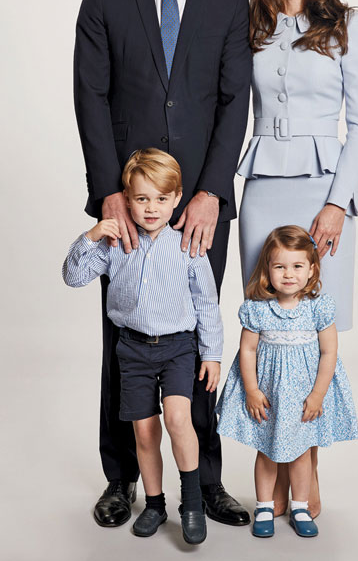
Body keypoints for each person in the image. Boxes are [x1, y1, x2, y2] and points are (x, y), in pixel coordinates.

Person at [73, 0, 251, 527]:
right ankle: (122, 477)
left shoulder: (231, 1)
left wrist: (210, 192)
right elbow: (89, 96)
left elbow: (237, 102)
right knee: (124, 338)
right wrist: (108, 196)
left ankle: (203, 481)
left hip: (198, 209)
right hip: (130, 204)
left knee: (197, 338)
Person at [237, 0, 358, 517]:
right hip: (264, 186)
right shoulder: (252, 24)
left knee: (314, 331)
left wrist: (337, 203)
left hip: (323, 189)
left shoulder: (348, 24)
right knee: (269, 334)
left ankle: (308, 467)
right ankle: (269, 477)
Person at [63, 149, 223, 544]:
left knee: (177, 419)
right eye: (141, 199)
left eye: (161, 199)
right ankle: (154, 504)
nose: (151, 208)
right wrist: (91, 236)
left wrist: (213, 354)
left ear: (177, 197)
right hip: (132, 349)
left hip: (178, 349)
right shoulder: (117, 244)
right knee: (145, 432)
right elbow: (72, 276)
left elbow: (207, 303)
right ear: (127, 199)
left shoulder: (188, 246)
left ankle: (192, 503)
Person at [216, 226, 358, 538]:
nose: (289, 274)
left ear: (311, 269)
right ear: (268, 270)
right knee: (266, 451)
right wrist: (252, 390)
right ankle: (265, 506)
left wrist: (319, 394)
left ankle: (300, 505)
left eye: (297, 266)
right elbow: (248, 350)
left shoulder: (318, 307)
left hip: (305, 397)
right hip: (270, 396)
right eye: (280, 266)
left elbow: (329, 351)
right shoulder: (257, 308)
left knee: (301, 452)